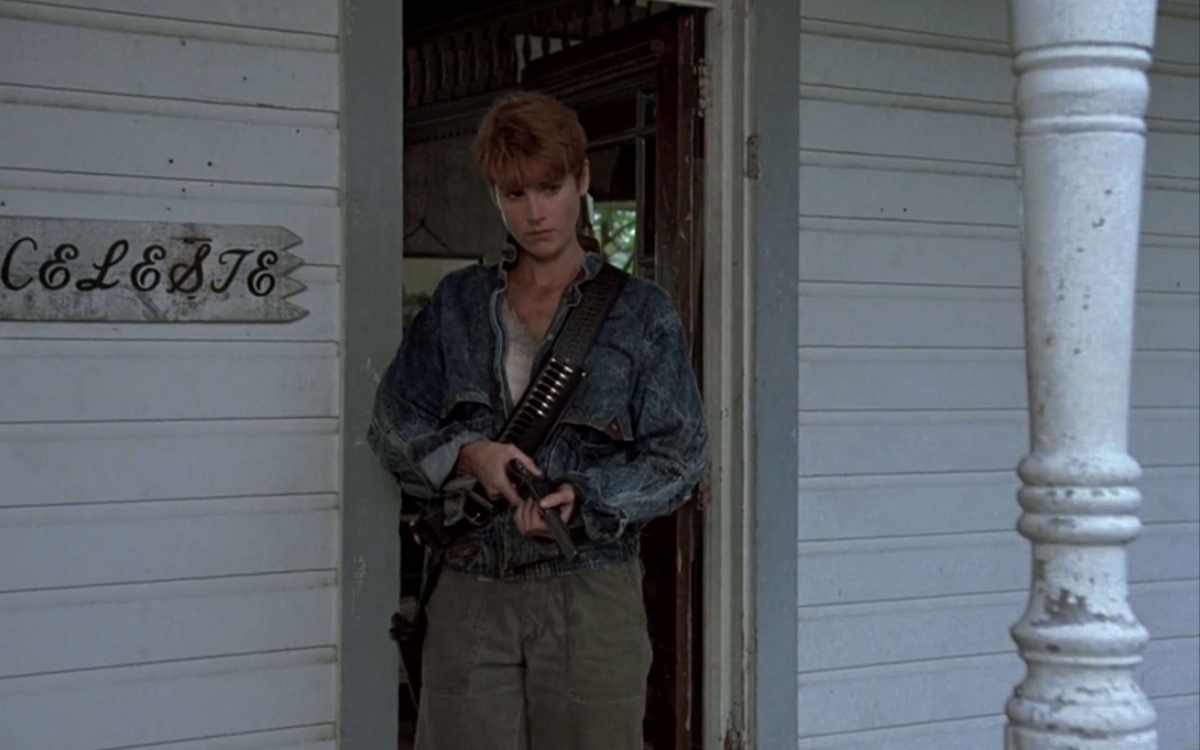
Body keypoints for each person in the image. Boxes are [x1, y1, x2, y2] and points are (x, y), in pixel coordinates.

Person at [368, 91, 707, 750]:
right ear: (496, 197)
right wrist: (470, 456)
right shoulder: (459, 304)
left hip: (588, 586)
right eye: (515, 193)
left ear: (581, 181)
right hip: (471, 585)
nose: (536, 211)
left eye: (550, 187)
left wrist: (586, 498)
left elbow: (681, 457)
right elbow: (391, 420)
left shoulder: (642, 314)